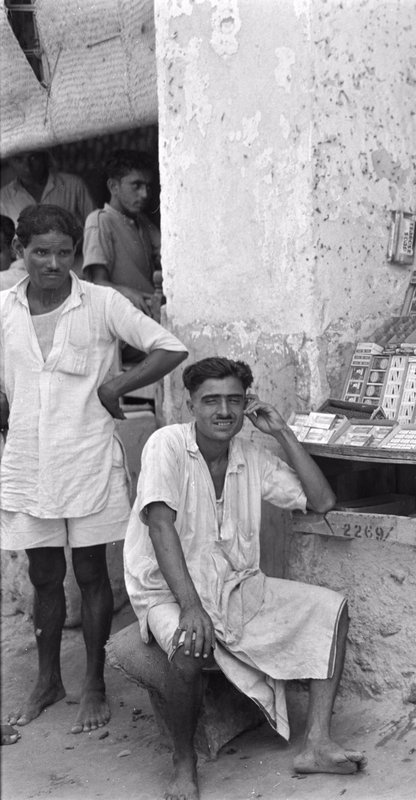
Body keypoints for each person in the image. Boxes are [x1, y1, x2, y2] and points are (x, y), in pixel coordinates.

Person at [123, 357, 364, 800]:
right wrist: (191, 608)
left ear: (247, 404)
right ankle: (184, 763)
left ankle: (316, 744)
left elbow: (322, 500)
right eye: (211, 400)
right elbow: (159, 527)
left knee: (331, 609)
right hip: (167, 591)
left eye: (234, 400)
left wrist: (282, 433)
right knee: (188, 647)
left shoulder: (251, 457)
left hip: (235, 587)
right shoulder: (167, 445)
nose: (224, 411)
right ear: (190, 404)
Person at [0, 204, 189, 736]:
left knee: (89, 575)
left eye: (64, 252)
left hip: (87, 458)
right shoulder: (4, 310)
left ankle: (95, 684)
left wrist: (115, 387)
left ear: (76, 255)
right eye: (41, 252)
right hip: (26, 463)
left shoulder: (101, 302)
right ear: (21, 254)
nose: (54, 263)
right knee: (43, 577)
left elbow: (169, 347)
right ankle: (47, 680)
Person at [82, 150, 160, 315]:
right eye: (136, 186)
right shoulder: (99, 221)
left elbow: (166, 253)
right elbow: (96, 284)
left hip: (146, 314)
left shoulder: (143, 221)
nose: (145, 194)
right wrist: (128, 293)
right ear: (113, 187)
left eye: (147, 186)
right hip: (121, 318)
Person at [0, 150, 95, 228]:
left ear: (44, 157)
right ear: (10, 162)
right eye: (18, 159)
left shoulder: (73, 185)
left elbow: (95, 227)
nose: (27, 167)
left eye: (33, 158)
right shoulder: (3, 199)